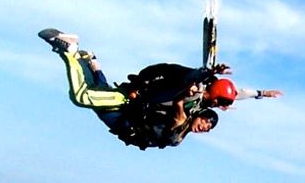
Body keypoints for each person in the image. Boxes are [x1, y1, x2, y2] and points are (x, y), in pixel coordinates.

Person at [38, 29, 280, 150]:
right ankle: (69, 50)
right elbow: (187, 79)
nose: (220, 107)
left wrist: (260, 94)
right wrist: (205, 73)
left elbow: (235, 94)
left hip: (131, 116)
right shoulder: (192, 89)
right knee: (82, 96)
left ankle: (85, 58)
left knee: (96, 93)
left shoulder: (199, 105)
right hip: (130, 102)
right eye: (219, 103)